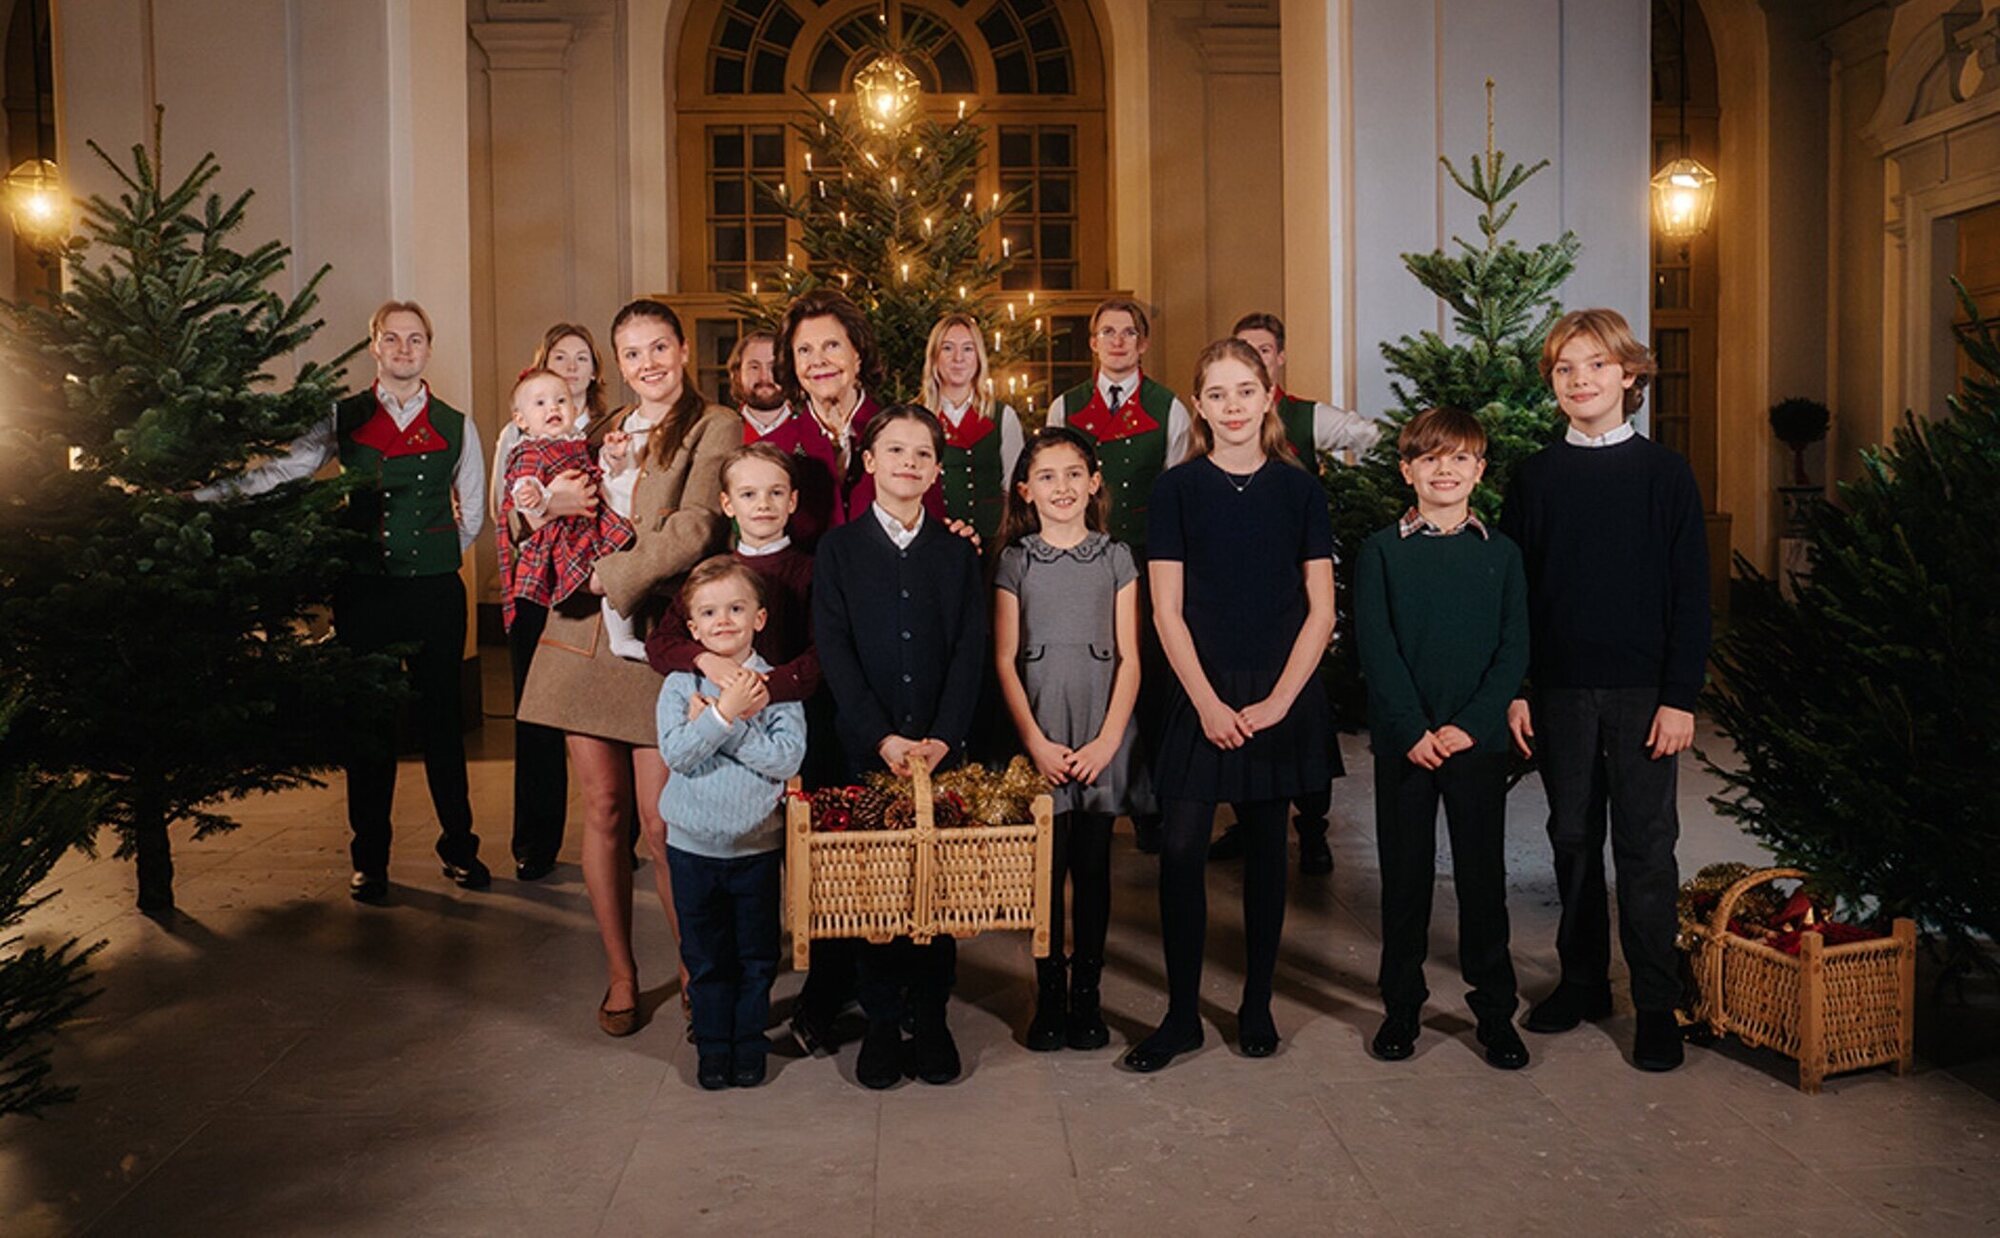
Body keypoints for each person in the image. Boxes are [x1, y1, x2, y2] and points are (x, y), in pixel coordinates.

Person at [195, 300, 487, 903]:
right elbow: (285, 471)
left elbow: (475, 513)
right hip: (366, 591)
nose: (404, 349)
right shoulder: (342, 416)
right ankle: (370, 860)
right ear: (375, 346)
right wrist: (210, 496)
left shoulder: (458, 424)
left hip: (435, 591)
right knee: (368, 727)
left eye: (415, 339)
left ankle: (459, 847)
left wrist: (430, 555)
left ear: (428, 348)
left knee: (441, 722)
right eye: (392, 338)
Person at [517, 298, 738, 1037]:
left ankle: (695, 967)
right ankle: (621, 974)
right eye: (633, 353)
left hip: (651, 634)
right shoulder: (598, 428)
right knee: (603, 810)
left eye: (659, 347)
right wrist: (545, 506)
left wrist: (608, 576)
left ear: (683, 350)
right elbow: (528, 510)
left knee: (661, 819)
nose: (648, 364)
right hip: (578, 640)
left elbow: (696, 526)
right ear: (619, 364)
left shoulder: (714, 425)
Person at [1499, 307, 1710, 1073]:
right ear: (1552, 382)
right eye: (1565, 368)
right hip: (1561, 690)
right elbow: (1514, 593)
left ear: (1629, 375)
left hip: (1645, 694)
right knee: (1572, 837)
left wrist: (1680, 696)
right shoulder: (1535, 477)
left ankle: (1655, 1002)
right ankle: (1584, 981)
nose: (1580, 380)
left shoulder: (1665, 475)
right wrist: (1519, 687)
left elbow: (1691, 594)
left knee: (1647, 847)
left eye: (1595, 365)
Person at [1123, 338, 1336, 1073]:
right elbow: (1166, 611)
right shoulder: (1177, 490)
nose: (1234, 405)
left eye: (1246, 390)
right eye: (1217, 394)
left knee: (1267, 854)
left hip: (1277, 691)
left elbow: (1320, 609)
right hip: (1199, 689)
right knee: (1182, 848)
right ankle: (1181, 1014)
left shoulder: (1299, 491)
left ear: (1268, 395)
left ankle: (1257, 1005)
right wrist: (1207, 703)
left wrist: (1279, 701)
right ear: (1199, 407)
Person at [812, 405, 988, 1089]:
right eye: (895, 450)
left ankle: (932, 1015)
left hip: (941, 752)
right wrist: (880, 736)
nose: (908, 463)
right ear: (869, 462)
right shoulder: (839, 551)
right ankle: (883, 1019)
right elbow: (835, 649)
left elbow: (969, 649)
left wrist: (943, 736)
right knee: (878, 890)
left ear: (936, 470)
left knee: (935, 888)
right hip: (868, 751)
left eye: (922, 454)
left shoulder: (956, 553)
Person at [1355, 407, 1530, 1071]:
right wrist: (1412, 728)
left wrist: (1472, 724)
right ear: (1407, 471)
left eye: (1459, 458)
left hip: (1474, 743)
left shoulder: (1502, 554)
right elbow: (1377, 647)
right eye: (1430, 459)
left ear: (1479, 471)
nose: (1445, 470)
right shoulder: (1381, 552)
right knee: (1405, 879)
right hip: (1407, 745)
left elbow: (1513, 649)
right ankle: (1402, 1006)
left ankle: (1495, 1012)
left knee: (1483, 880)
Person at [992, 426, 1151, 1053]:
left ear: (1094, 483)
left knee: (1092, 870)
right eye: (1047, 476)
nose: (1062, 487)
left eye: (1073, 474)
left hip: (1099, 728)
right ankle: (1049, 993)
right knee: (1045, 873)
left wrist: (1109, 741)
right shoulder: (1017, 560)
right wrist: (1034, 742)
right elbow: (1005, 659)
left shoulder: (1116, 558)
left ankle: (1088, 994)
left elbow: (1131, 658)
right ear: (1026, 490)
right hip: (1042, 729)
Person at [1209, 310, 1383, 876]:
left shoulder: (1308, 416)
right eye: (1244, 349)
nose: (1254, 358)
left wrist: (1357, 499)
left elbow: (1373, 439)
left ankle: (1312, 827)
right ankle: (1251, 816)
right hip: (1241, 584)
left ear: (1278, 358)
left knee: (1304, 704)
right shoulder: (1219, 421)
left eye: (1263, 350)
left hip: (1299, 580)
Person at [1045, 297, 1190, 855]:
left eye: (1128, 332)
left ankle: (1148, 802)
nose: (1118, 341)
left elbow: (1176, 489)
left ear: (1143, 342)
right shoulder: (1066, 406)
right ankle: (1079, 795)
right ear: (1093, 342)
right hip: (1079, 559)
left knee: (1147, 675)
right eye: (1107, 332)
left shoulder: (1169, 407)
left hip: (1147, 559)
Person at [657, 556, 807, 1090]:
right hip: (692, 848)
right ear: (693, 628)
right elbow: (678, 754)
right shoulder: (679, 684)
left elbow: (786, 759)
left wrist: (725, 723)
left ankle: (748, 1044)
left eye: (736, 609)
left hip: (755, 849)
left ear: (759, 619)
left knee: (756, 956)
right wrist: (725, 715)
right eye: (709, 613)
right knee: (705, 956)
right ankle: (713, 1047)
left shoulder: (775, 685)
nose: (723, 620)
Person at [496, 323, 608, 881]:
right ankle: (535, 842)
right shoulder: (517, 435)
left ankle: (615, 837)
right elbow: (509, 516)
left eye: (581, 358)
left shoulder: (613, 429)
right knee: (537, 713)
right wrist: (549, 506)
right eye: (560, 357)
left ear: (595, 370)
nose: (571, 367)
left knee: (604, 714)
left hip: (595, 582)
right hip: (537, 585)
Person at [772, 289, 945, 546]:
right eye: (804, 350)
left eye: (832, 346)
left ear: (858, 354)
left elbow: (933, 531)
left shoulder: (908, 434)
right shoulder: (775, 447)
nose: (818, 361)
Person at [498, 368, 636, 639]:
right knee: (596, 580)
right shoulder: (529, 450)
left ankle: (622, 635)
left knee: (618, 566)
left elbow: (597, 473)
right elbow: (524, 482)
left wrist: (613, 455)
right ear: (521, 420)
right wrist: (534, 495)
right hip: (557, 535)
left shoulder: (577, 442)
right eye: (540, 403)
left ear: (573, 410)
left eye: (561, 401)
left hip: (587, 524)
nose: (553, 407)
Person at [920, 312, 1024, 544]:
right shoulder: (915, 417)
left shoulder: (1003, 416)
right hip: (929, 542)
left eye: (968, 349)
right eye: (948, 348)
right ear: (934, 356)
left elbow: (1014, 489)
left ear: (978, 358)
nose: (958, 358)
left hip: (992, 543)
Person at [730, 330, 791, 441]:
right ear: (737, 374)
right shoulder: (721, 433)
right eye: (754, 367)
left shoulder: (814, 431)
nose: (764, 377)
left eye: (774, 367)